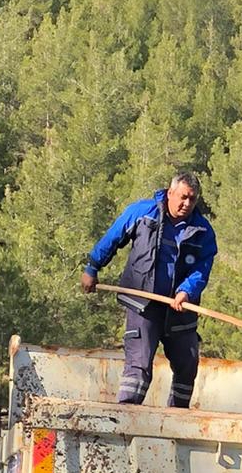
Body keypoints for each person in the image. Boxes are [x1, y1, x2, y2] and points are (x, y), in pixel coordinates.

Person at [80, 171, 218, 408]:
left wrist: (186, 291)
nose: (186, 204)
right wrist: (92, 267)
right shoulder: (142, 212)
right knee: (140, 364)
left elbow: (201, 270)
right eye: (183, 197)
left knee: (188, 363)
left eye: (192, 199)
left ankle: (178, 419)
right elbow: (113, 238)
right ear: (170, 193)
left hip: (181, 309)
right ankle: (127, 418)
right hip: (143, 305)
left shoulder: (204, 232)